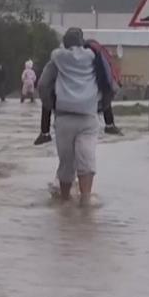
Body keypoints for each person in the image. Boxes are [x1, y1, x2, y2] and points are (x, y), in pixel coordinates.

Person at [37, 27, 103, 206]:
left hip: (64, 117)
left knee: (66, 162)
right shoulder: (94, 57)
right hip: (89, 116)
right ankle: (86, 202)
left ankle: (64, 203)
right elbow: (107, 80)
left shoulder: (58, 59)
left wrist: (50, 105)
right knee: (87, 156)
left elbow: (42, 84)